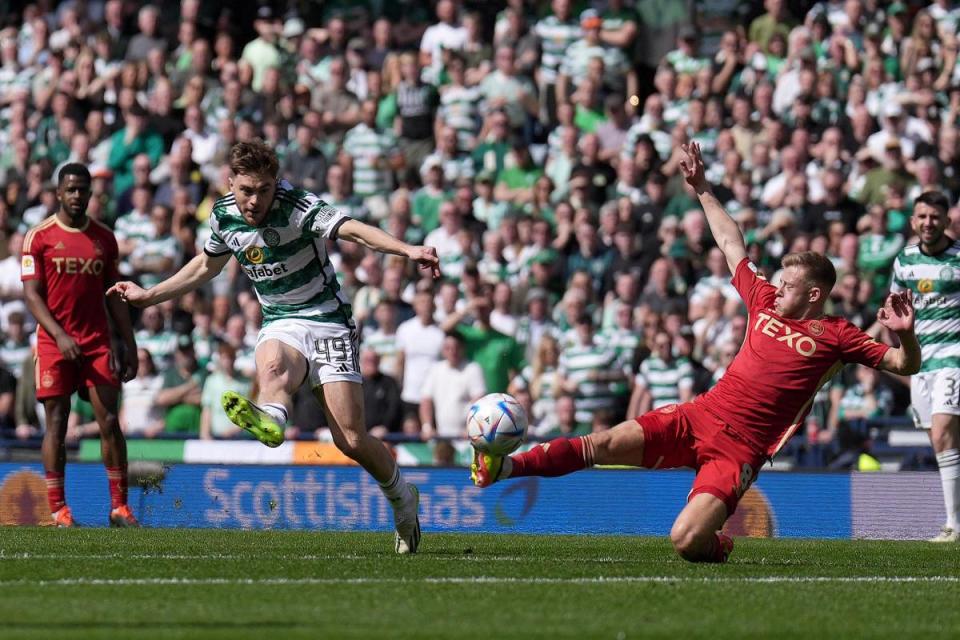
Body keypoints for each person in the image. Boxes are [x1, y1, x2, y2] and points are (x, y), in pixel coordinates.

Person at [471, 143, 922, 563]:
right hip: (699, 414)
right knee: (603, 443)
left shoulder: (838, 335)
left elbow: (905, 365)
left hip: (741, 450)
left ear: (814, 294)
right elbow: (731, 244)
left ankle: (716, 542)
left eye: (788, 285)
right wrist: (702, 188)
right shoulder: (764, 300)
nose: (778, 288)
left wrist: (906, 336)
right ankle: (506, 467)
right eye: (779, 282)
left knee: (686, 542)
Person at [109, 140, 439, 554]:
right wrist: (151, 294)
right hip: (280, 320)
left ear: (276, 184)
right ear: (231, 183)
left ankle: (403, 497)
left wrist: (408, 249)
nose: (255, 200)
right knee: (273, 365)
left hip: (328, 320)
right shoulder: (223, 216)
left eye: (264, 190)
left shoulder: (297, 205)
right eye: (247, 190)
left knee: (350, 440)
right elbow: (207, 265)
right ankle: (273, 418)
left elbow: (353, 229)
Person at [21, 163, 139, 528]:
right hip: (55, 343)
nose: (77, 196)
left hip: (96, 342)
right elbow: (31, 295)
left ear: (91, 193)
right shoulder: (38, 237)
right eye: (70, 189)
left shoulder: (105, 238)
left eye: (82, 190)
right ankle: (59, 509)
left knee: (109, 420)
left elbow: (115, 296)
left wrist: (129, 343)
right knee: (56, 422)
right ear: (58, 192)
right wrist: (59, 335)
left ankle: (119, 507)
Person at [890, 190, 960, 542]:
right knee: (939, 439)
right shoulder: (903, 262)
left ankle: (954, 526)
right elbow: (895, 310)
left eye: (935, 217)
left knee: (944, 430)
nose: (929, 223)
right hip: (921, 360)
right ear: (913, 221)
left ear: (947, 221)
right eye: (922, 217)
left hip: (955, 356)